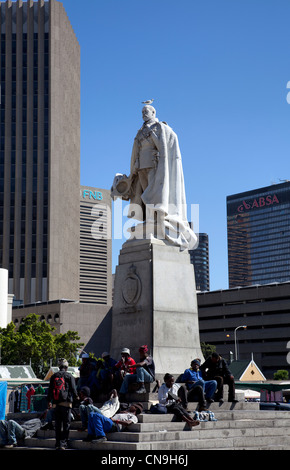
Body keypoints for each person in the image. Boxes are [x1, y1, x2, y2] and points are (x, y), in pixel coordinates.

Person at [111, 105, 197, 250]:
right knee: (145, 192)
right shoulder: (140, 131)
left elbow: (166, 143)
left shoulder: (159, 128)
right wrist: (133, 169)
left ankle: (152, 220)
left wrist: (153, 135)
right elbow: (136, 151)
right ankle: (148, 219)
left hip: (154, 165)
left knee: (153, 193)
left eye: (146, 112)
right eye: (142, 112)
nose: (144, 114)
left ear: (153, 113)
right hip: (141, 167)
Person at [47, 358, 78, 450]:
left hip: (56, 405)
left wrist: (49, 401)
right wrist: (77, 397)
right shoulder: (69, 376)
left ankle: (57, 443)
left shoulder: (53, 376)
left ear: (59, 367)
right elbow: (73, 389)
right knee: (66, 424)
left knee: (57, 424)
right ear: (66, 367)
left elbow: (50, 391)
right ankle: (63, 444)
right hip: (66, 404)